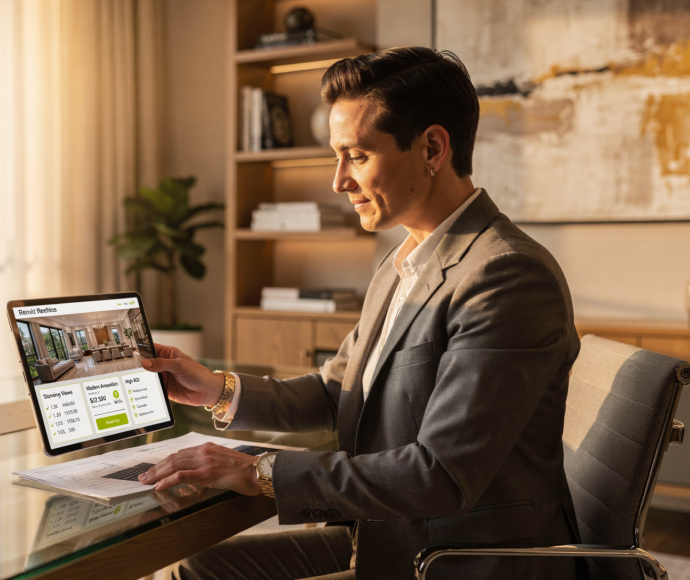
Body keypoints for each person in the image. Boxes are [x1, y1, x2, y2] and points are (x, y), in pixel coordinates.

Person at [139, 47, 582, 580]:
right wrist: (216, 389)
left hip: (455, 558)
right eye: (337, 156)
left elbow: (438, 474)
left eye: (357, 156)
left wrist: (259, 471)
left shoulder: (506, 277)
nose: (339, 180)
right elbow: (337, 393)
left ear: (433, 149)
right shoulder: (403, 263)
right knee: (191, 571)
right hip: (386, 533)